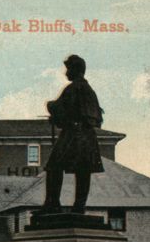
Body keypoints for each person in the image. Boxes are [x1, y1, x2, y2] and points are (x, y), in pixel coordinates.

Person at [41, 55, 104, 214]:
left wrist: (51, 107)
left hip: (73, 134)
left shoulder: (73, 88)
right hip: (88, 136)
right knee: (84, 170)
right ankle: (79, 207)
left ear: (76, 70)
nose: (66, 73)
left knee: (54, 167)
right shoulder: (90, 91)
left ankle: (53, 204)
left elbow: (60, 110)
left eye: (68, 68)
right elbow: (97, 117)